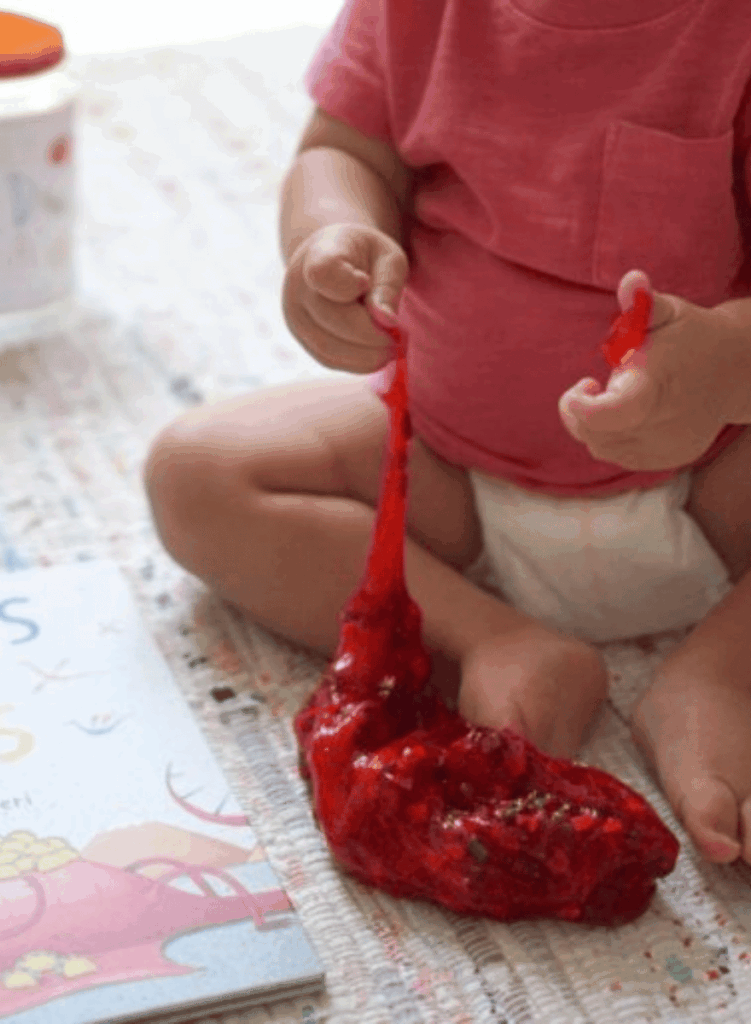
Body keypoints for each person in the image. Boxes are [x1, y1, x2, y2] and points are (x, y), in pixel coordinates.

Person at [144, 0, 751, 865]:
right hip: (447, 480)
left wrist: (727, 367)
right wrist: (332, 237)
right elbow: (342, 152)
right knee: (198, 473)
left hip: (720, 485)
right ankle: (492, 638)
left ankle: (722, 672)